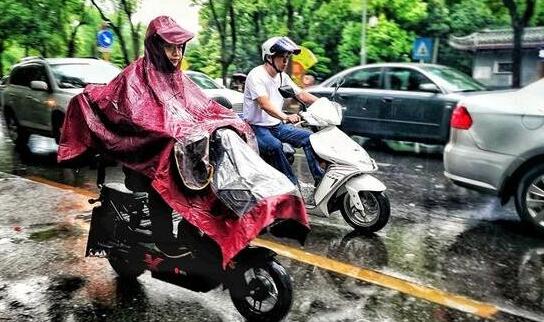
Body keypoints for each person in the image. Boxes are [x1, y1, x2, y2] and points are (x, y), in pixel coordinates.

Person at [243, 36, 325, 186]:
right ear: (269, 57)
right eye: (282, 57)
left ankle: (320, 180)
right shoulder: (256, 76)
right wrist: (285, 117)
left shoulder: (283, 77)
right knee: (274, 146)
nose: (286, 61)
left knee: (310, 138)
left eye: (287, 57)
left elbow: (300, 94)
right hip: (256, 127)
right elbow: (264, 103)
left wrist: (322, 103)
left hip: (276, 126)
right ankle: (290, 185)